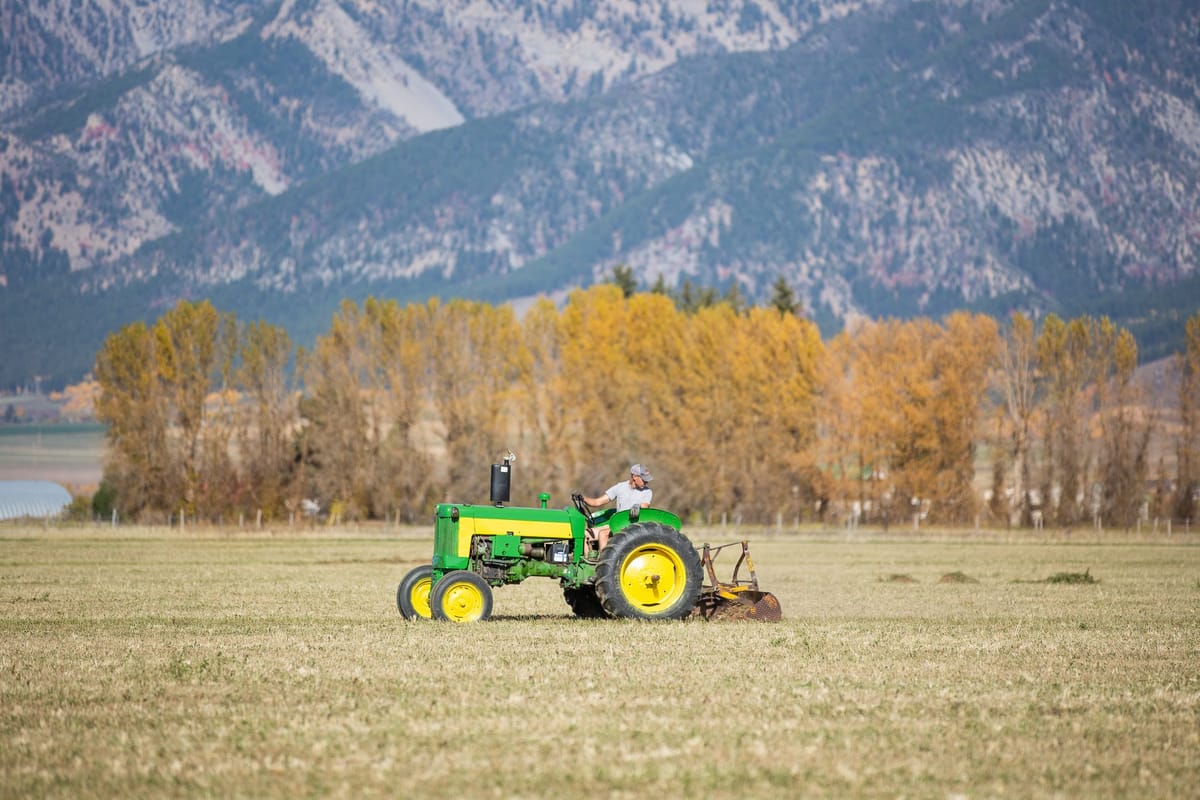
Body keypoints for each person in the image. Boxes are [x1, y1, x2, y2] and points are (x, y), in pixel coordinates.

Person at [582, 464, 653, 550]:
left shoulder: (647, 491)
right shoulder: (620, 487)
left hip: (632, 525)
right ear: (634, 476)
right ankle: (586, 561)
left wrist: (638, 506)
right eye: (643, 479)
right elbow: (597, 502)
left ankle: (603, 562)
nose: (646, 482)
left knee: (603, 534)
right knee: (584, 534)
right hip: (617, 523)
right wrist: (583, 498)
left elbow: (645, 506)